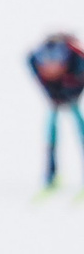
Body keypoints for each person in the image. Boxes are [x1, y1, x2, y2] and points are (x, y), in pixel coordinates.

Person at [29, 34, 84, 189]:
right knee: (51, 130)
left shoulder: (78, 61)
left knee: (80, 127)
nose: (51, 68)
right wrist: (52, 96)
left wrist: (71, 94)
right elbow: (41, 80)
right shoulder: (33, 60)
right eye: (46, 64)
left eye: (55, 63)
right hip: (55, 95)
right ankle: (51, 176)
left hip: (72, 92)